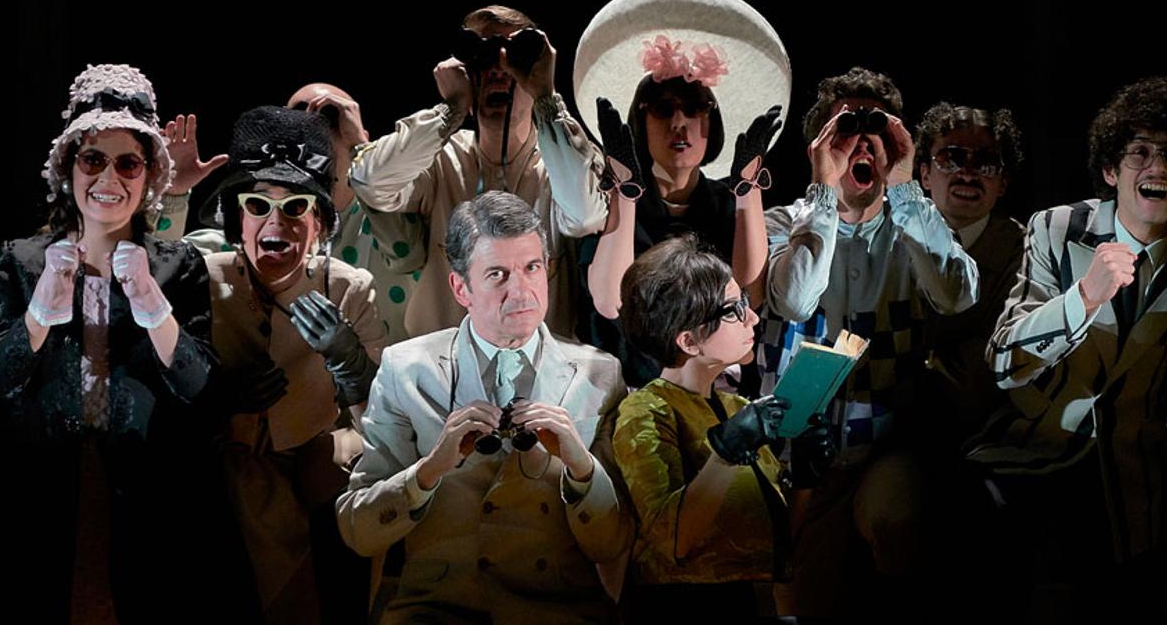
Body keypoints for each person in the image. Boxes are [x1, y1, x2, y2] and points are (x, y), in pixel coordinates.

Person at [966, 77, 1167, 619]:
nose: (1157, 168)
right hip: (1030, 455)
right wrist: (1084, 297)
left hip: (1133, 480)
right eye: (1140, 152)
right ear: (1111, 171)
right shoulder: (1056, 227)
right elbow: (1004, 363)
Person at [336, 191, 632, 624]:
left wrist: (582, 468)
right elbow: (358, 531)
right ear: (461, 288)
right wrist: (429, 471)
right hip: (437, 610)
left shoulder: (599, 374)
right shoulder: (406, 371)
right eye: (498, 274)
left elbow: (612, 544)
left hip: (559, 610)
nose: (521, 291)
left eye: (532, 268)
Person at [0, 64, 221, 621]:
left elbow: (203, 390)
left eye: (128, 163)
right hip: (40, 492)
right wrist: (39, 314)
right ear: (69, 167)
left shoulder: (178, 265)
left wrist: (151, 302)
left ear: (148, 175)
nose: (109, 178)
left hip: (146, 496)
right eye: (93, 159)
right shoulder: (20, 260)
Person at [758, 67, 978, 618]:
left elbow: (957, 295)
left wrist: (905, 190)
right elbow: (795, 300)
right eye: (844, 129)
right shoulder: (781, 222)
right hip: (794, 454)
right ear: (818, 145)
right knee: (794, 597)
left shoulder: (916, 226)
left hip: (883, 447)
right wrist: (825, 193)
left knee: (897, 520)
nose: (862, 142)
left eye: (876, 128)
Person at [203, 105, 386, 623]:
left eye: (296, 206)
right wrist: (217, 395)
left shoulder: (349, 288)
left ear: (320, 223)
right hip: (225, 480)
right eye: (258, 204)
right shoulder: (202, 277)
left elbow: (384, 418)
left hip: (319, 475)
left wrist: (350, 362)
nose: (275, 222)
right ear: (236, 218)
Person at [573, 0, 792, 389]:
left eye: (693, 108)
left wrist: (748, 190)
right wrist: (625, 191)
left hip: (713, 386)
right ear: (640, 121)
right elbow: (610, 302)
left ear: (712, 121)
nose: (678, 122)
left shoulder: (724, 202)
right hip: (624, 387)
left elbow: (751, 293)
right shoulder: (609, 201)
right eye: (662, 109)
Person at [348, 5, 607, 339]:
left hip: (538, 363)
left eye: (513, 56)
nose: (498, 71)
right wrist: (450, 111)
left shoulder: (558, 163)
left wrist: (546, 96)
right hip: (444, 361)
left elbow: (586, 214)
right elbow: (370, 182)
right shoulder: (439, 159)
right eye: (483, 56)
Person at [612, 235, 831, 620]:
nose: (752, 318)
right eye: (733, 310)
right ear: (688, 340)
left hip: (759, 603)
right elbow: (671, 540)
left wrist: (804, 479)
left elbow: (776, 543)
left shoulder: (737, 407)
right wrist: (726, 453)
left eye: (745, 302)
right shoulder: (645, 410)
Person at [153, 83, 425, 343]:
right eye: (298, 116)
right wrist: (173, 196)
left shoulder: (387, 218)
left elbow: (407, 258)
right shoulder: (247, 231)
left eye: (331, 117)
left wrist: (361, 149)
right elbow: (153, 279)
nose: (313, 128)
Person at [914, 102, 1026, 443]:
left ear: (1002, 183)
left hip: (975, 434)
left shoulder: (1024, 251)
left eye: (986, 163)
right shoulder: (888, 230)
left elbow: (986, 370)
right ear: (924, 174)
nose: (967, 173)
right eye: (951, 158)